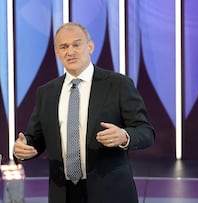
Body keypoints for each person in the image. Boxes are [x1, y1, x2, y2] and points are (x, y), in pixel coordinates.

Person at [13, 22, 155, 203]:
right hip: (63, 194)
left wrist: (124, 136)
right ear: (57, 52)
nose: (70, 51)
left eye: (76, 44)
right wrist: (22, 149)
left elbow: (145, 131)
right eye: (63, 47)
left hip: (110, 193)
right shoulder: (46, 92)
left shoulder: (118, 84)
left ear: (90, 46)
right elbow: (36, 138)